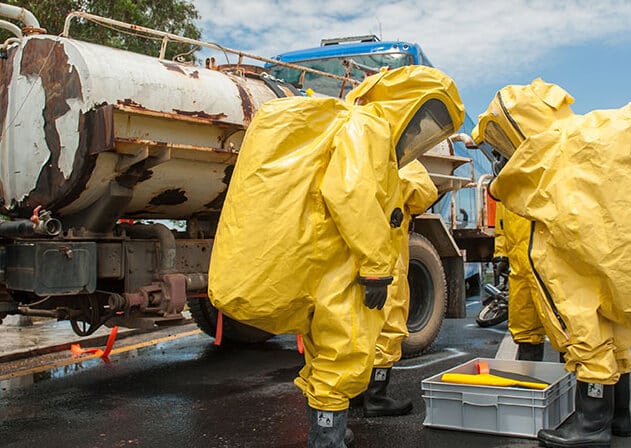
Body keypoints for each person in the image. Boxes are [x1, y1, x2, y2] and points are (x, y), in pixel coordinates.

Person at [208, 65, 464, 447]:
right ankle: (326, 439)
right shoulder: (370, 129)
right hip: (348, 266)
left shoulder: (357, 127)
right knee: (344, 350)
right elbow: (350, 194)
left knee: (324, 348)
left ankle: (326, 429)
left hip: (331, 260)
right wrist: (377, 269)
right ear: (406, 103)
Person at [474, 79, 631, 448]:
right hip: (601, 258)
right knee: (613, 333)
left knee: (584, 330)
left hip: (570, 259)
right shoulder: (585, 137)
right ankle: (619, 417)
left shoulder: (549, 157)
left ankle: (591, 424)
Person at [359, 160, 437, 417]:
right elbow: (424, 193)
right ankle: (376, 395)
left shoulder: (348, 145)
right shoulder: (401, 157)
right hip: (388, 253)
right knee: (389, 319)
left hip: (353, 253)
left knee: (354, 323)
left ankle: (353, 392)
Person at [492, 200, 548, 361]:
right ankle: (530, 381)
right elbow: (502, 223)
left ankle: (570, 383)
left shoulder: (556, 176)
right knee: (526, 330)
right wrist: (501, 253)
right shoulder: (509, 183)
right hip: (521, 270)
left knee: (571, 335)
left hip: (556, 270)